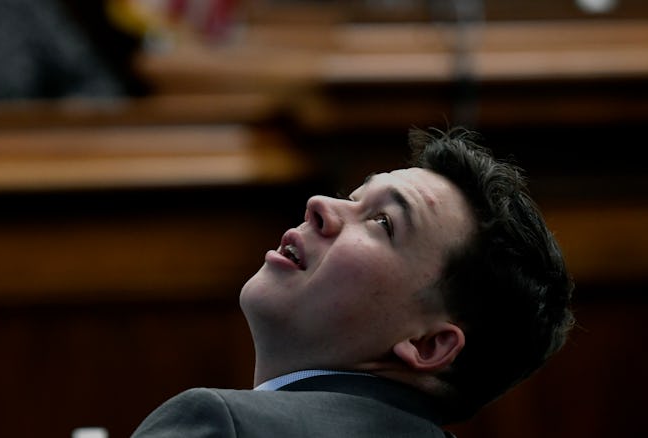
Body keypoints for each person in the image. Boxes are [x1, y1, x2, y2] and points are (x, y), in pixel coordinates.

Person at [131, 126, 575, 437]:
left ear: (427, 345)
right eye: (353, 197)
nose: (319, 204)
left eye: (382, 222)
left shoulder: (222, 425)